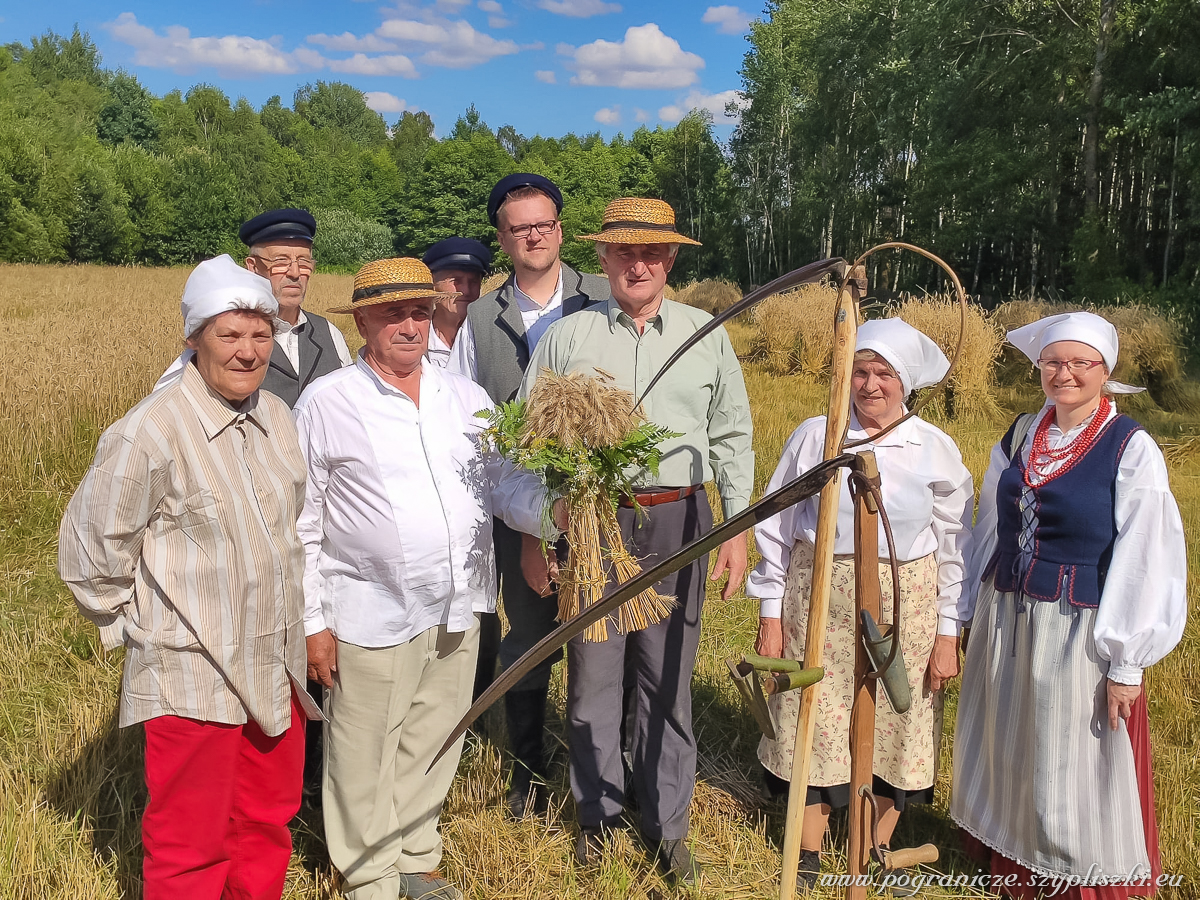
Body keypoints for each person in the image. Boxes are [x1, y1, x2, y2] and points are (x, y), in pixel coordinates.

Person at [58, 255, 320, 899]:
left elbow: (291, 533)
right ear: (194, 338)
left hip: (273, 662)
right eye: (229, 336)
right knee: (188, 843)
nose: (247, 351)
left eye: (260, 336)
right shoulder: (151, 430)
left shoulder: (278, 420)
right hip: (190, 671)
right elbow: (90, 553)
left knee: (265, 822)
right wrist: (146, 629)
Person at [296, 258, 548, 900]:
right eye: (392, 313)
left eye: (419, 311)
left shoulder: (464, 396)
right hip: (369, 608)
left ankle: (415, 857)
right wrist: (312, 623)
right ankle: (368, 875)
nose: (409, 326)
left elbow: (502, 485)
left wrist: (554, 510)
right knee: (362, 750)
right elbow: (301, 522)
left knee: (434, 737)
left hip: (459, 603)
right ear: (362, 319)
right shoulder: (329, 402)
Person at [518, 197, 753, 884]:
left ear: (672, 259)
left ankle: (666, 824)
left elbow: (732, 433)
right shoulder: (569, 336)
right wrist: (544, 527)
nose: (639, 263)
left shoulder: (705, 331)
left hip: (680, 517)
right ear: (603, 257)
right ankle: (598, 816)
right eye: (626, 250)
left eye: (653, 252)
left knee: (667, 673)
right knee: (595, 671)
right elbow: (534, 442)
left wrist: (736, 529)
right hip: (594, 518)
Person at [952, 312, 1186, 900]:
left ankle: (1076, 873)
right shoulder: (1021, 434)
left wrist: (1126, 661)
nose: (1065, 374)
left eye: (1081, 363)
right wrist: (963, 613)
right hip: (1009, 613)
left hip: (1078, 624)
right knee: (1013, 744)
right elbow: (988, 525)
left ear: (1105, 371)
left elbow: (1145, 552)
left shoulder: (1130, 445)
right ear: (1039, 369)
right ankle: (1016, 864)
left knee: (1071, 758)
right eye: (1054, 362)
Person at [747, 318, 974, 890]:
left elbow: (955, 544)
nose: (870, 386)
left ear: (908, 383)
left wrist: (949, 631)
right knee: (815, 710)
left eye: (884, 375)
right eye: (860, 372)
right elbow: (775, 524)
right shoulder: (817, 436)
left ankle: (873, 846)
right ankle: (809, 852)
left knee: (903, 711)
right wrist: (770, 612)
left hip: (907, 598)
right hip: (822, 590)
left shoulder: (932, 448)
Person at [460, 173, 611, 819]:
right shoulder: (477, 321)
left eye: (543, 224)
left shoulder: (603, 297)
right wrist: (526, 527)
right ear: (503, 239)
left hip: (605, 505)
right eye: (519, 228)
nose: (533, 236)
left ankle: (606, 771)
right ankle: (527, 769)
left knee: (606, 640)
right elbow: (475, 428)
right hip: (518, 506)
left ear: (559, 228)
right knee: (529, 636)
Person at [156, 208, 353, 402]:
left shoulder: (329, 333)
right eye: (281, 261)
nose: (294, 273)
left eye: (303, 262)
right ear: (252, 266)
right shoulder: (223, 337)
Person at [421, 236, 493, 370]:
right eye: (456, 281)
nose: (465, 290)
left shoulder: (492, 340)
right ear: (433, 284)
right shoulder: (415, 339)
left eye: (473, 282)